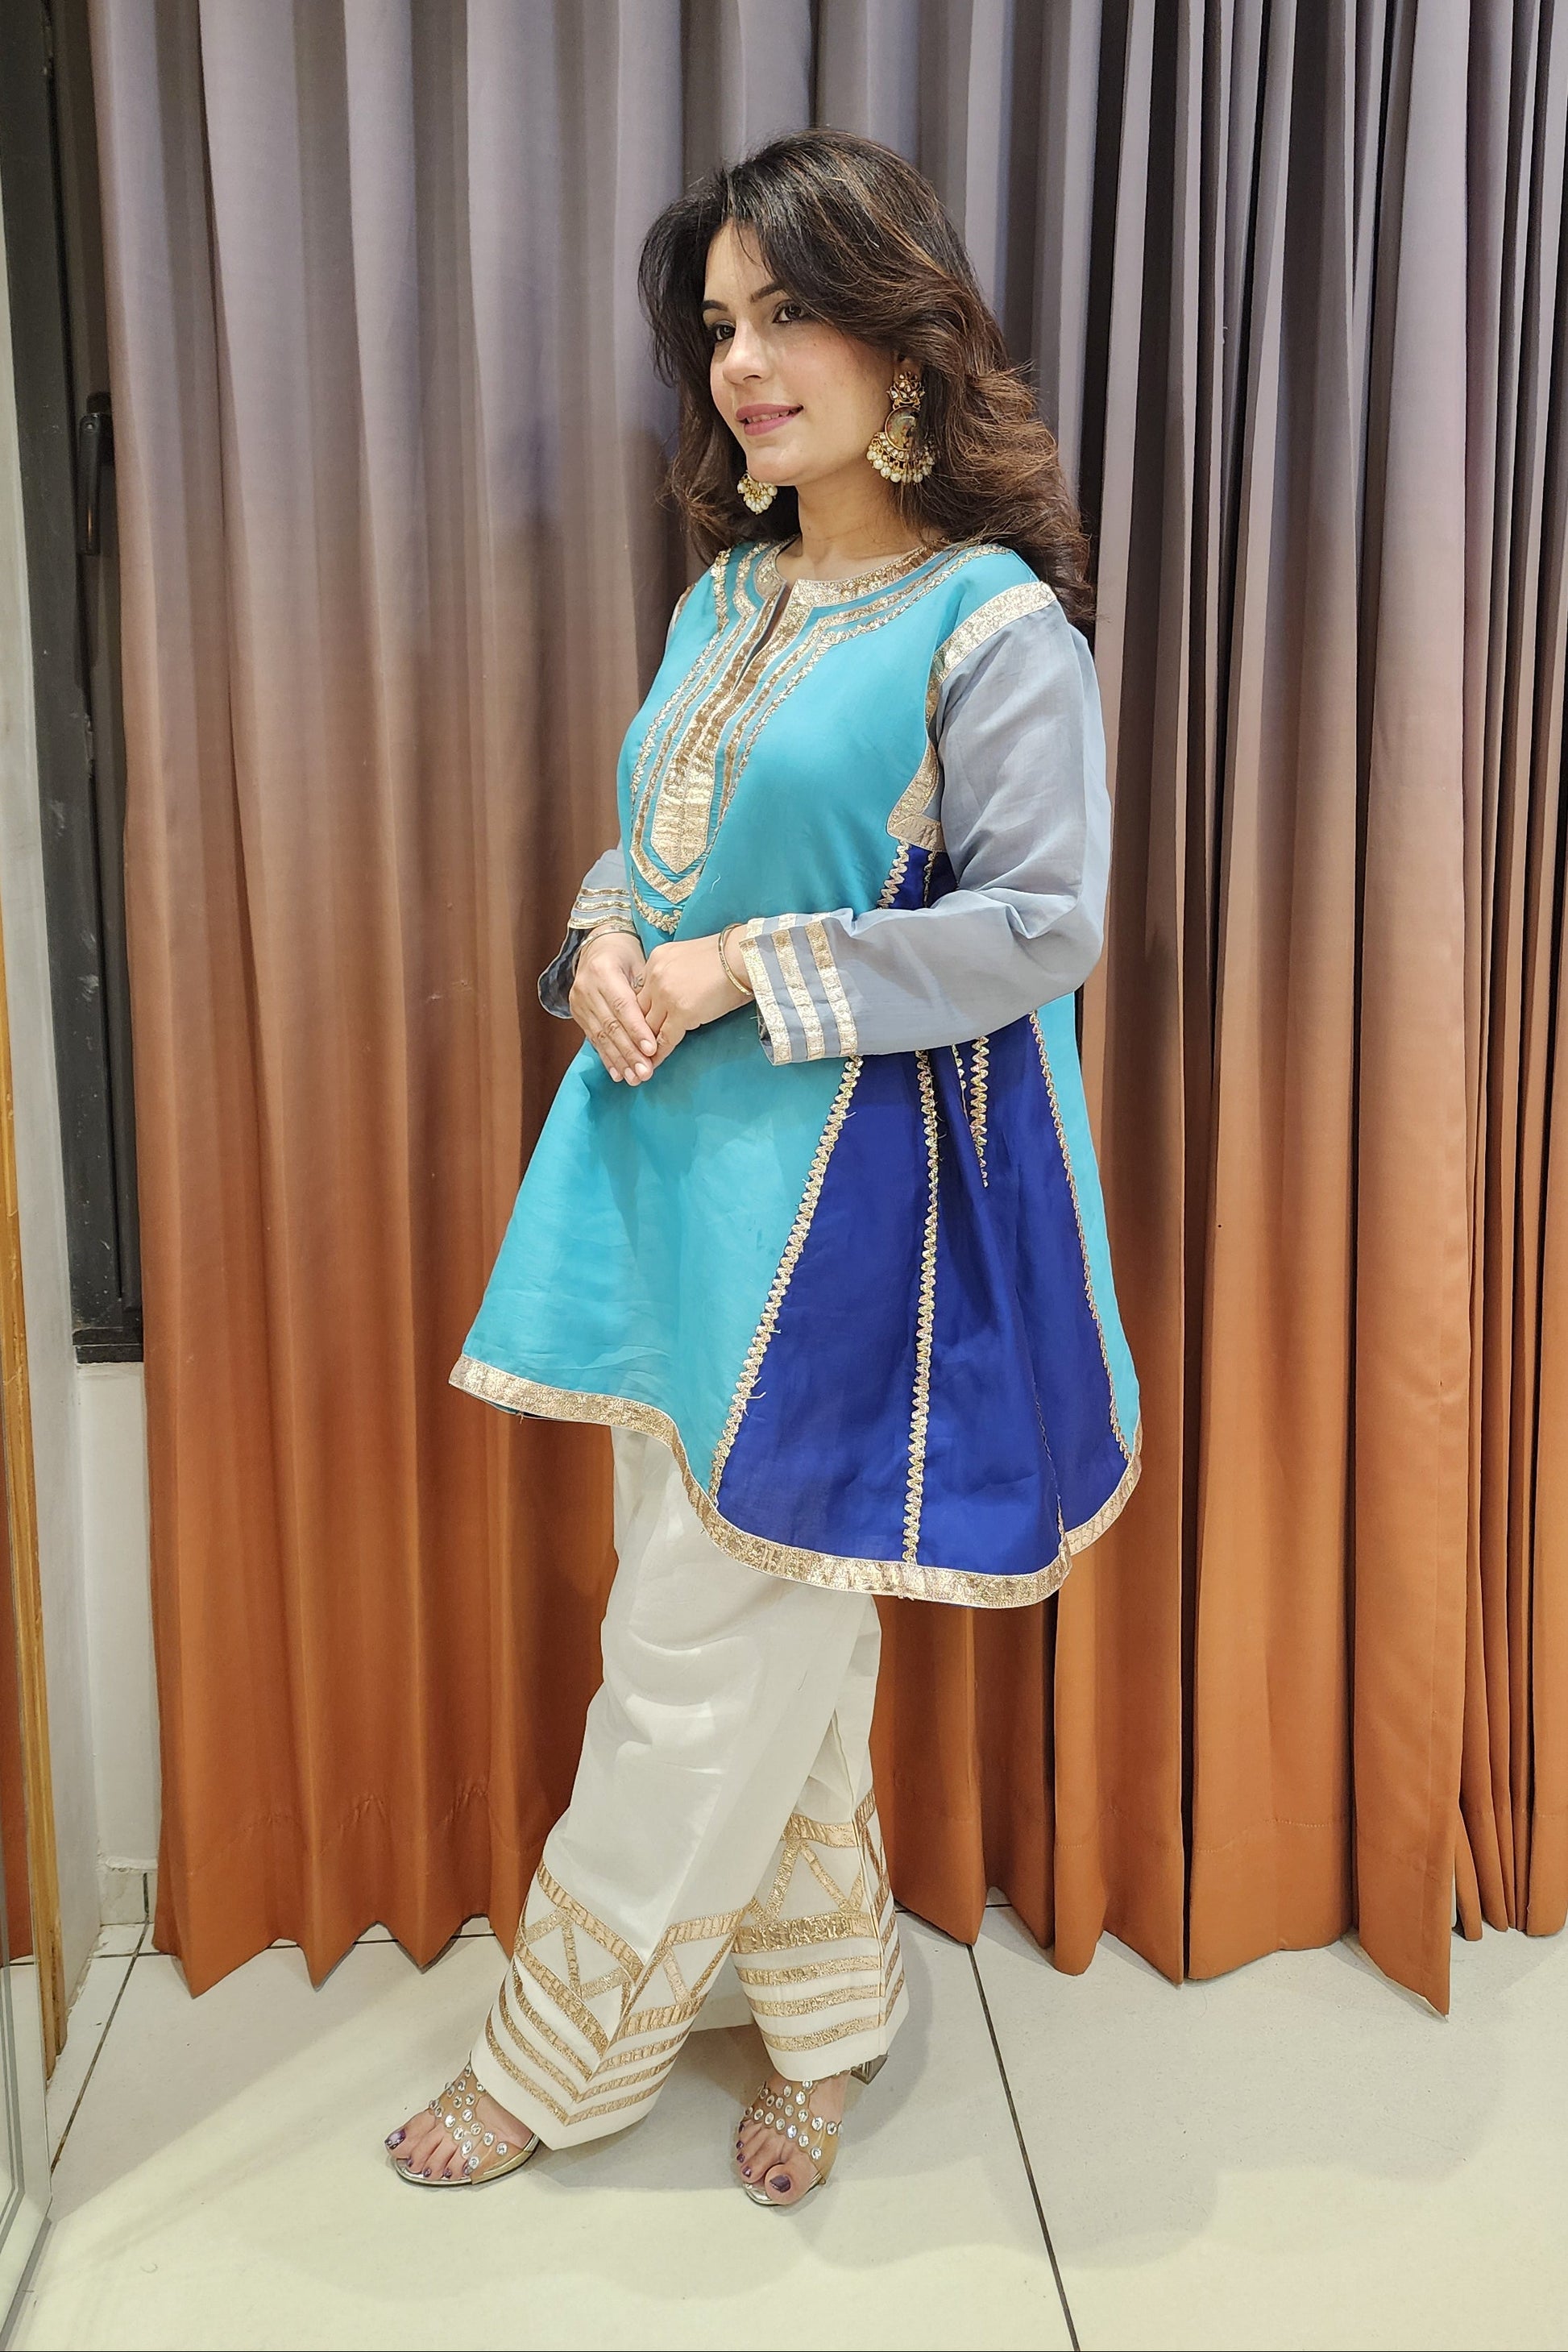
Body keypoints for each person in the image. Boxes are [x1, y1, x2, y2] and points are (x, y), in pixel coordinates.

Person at [384, 125, 1141, 2209]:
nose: (739, 361)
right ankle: (828, 2019)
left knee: (693, 1655)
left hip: (848, 1229)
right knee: (757, 1634)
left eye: (788, 311)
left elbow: (1044, 925)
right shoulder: (725, 597)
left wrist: (735, 968)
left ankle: (556, 2061)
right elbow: (664, 843)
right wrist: (605, 946)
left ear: (905, 342)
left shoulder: (992, 627)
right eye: (719, 324)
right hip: (669, 1183)